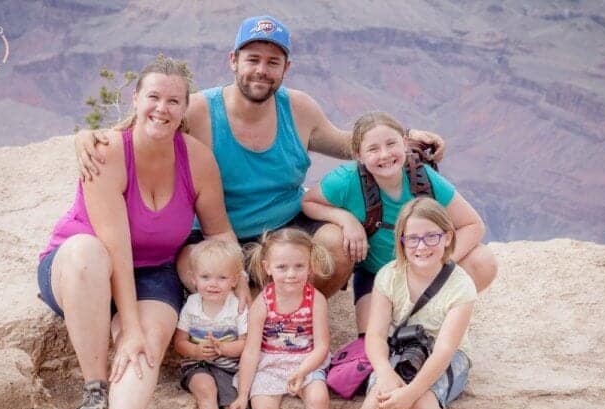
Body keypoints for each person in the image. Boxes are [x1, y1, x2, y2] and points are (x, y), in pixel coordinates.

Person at [73, 15, 447, 299]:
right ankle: (253, 315)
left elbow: (350, 143)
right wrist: (88, 137)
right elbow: (148, 125)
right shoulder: (201, 111)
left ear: (286, 68)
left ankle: (295, 318)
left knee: (337, 246)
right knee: (194, 269)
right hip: (217, 232)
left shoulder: (298, 108)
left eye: (273, 62)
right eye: (253, 59)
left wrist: (404, 139)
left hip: (287, 224)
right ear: (233, 60)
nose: (261, 71)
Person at [36, 55, 235, 409]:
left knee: (150, 337)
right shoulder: (107, 151)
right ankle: (94, 389)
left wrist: (242, 285)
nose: (162, 108)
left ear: (184, 108)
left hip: (152, 271)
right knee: (87, 251)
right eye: (153, 97)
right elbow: (115, 247)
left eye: (173, 101)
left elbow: (219, 231)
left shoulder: (196, 159)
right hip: (82, 273)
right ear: (136, 99)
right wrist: (128, 326)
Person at [302, 112, 497, 334]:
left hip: (425, 272)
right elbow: (309, 202)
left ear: (404, 143)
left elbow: (472, 225)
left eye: (391, 144)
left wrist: (440, 263)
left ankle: (434, 310)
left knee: (482, 261)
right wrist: (346, 220)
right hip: (377, 276)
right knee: (372, 341)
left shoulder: (422, 178)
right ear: (358, 155)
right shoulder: (345, 180)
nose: (384, 155)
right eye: (373, 149)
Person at [351, 197, 477, 409]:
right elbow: (376, 335)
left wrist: (410, 394)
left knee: (421, 405)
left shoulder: (461, 286)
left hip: (446, 355)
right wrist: (385, 374)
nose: (421, 247)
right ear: (401, 240)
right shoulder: (389, 276)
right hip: (401, 347)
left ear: (447, 237)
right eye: (412, 238)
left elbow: (445, 349)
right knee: (381, 397)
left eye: (431, 236)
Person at [228, 228, 333, 409]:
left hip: (306, 361)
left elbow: (322, 346)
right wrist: (242, 395)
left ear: (310, 266)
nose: (291, 274)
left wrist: (302, 371)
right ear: (268, 267)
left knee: (319, 401)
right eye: (282, 267)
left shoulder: (316, 300)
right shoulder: (262, 303)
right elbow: (251, 350)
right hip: (270, 364)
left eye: (299, 266)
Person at [173, 239, 248, 409]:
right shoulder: (192, 305)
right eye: (205, 277)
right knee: (205, 388)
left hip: (229, 366)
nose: (213, 284)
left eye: (222, 278)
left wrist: (223, 348)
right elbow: (179, 342)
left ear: (234, 280)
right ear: (194, 278)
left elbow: (245, 343)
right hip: (196, 364)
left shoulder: (237, 307)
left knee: (232, 399)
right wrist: (196, 351)